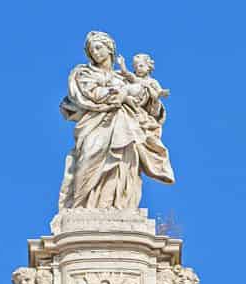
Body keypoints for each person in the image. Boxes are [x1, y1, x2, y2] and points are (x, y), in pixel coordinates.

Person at [58, 31, 174, 210]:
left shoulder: (123, 77)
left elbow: (149, 109)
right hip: (95, 124)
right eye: (92, 50)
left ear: (109, 49)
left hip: (125, 125)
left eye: (98, 48)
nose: (95, 52)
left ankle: (117, 205)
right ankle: (80, 205)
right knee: (89, 156)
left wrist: (151, 97)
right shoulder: (83, 73)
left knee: (123, 164)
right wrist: (122, 94)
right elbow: (90, 95)